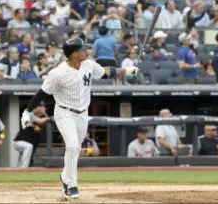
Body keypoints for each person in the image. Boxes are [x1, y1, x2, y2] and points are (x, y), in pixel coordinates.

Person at [20, 37, 137, 199]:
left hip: (82, 113)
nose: (86, 51)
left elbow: (107, 72)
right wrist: (27, 112)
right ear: (75, 54)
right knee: (73, 147)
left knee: (76, 147)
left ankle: (65, 175)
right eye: (83, 50)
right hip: (64, 112)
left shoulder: (88, 64)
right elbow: (42, 93)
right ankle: (70, 183)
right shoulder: (58, 73)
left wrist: (128, 71)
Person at [14, 101, 49, 168]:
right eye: (43, 107)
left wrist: (46, 117)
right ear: (37, 108)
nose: (45, 108)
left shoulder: (42, 117)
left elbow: (40, 124)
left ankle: (19, 171)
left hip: (29, 143)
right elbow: (39, 121)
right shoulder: (30, 114)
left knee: (26, 157)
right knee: (29, 147)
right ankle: (24, 169)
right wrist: (48, 118)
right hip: (19, 141)